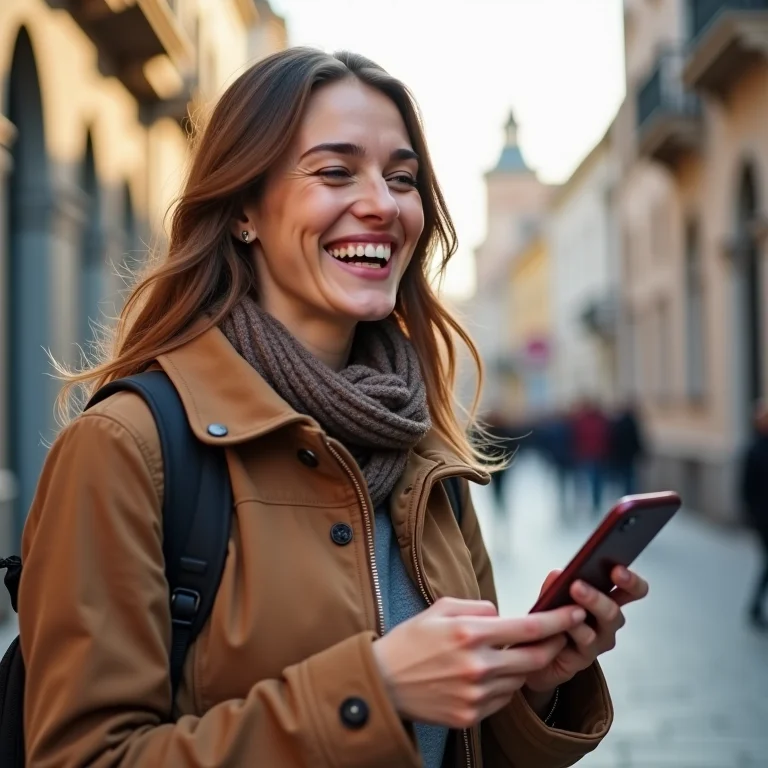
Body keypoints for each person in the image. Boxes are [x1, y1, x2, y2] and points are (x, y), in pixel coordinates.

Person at [18, 48, 650, 767]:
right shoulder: (126, 447)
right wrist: (371, 691)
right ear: (243, 212)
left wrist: (534, 686)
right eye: (335, 171)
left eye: (402, 178)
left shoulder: (427, 450)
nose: (383, 203)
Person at [740, 401, 768, 630]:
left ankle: (756, 606)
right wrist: (752, 515)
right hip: (764, 516)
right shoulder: (753, 449)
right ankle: (755, 606)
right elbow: (746, 488)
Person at [572, 399, 611, 517]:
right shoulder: (601, 420)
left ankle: (594, 502)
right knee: (596, 480)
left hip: (590, 454)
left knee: (592, 479)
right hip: (595, 454)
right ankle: (595, 502)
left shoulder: (581, 421)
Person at [609, 402, 645, 497]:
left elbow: (614, 439)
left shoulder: (618, 423)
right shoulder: (632, 422)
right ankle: (629, 494)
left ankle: (626, 495)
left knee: (623, 477)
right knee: (629, 477)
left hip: (621, 455)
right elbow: (637, 439)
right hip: (629, 455)